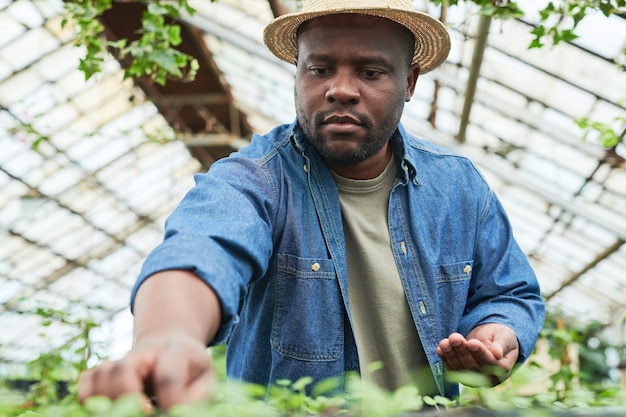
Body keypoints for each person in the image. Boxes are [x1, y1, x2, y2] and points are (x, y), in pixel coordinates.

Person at [78, 0, 545, 411]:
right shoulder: (258, 179)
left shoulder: (458, 188)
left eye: (370, 71)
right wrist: (168, 337)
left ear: (410, 82)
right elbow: (203, 247)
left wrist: (498, 334)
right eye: (319, 69)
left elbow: (510, 292)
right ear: (299, 74)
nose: (340, 89)